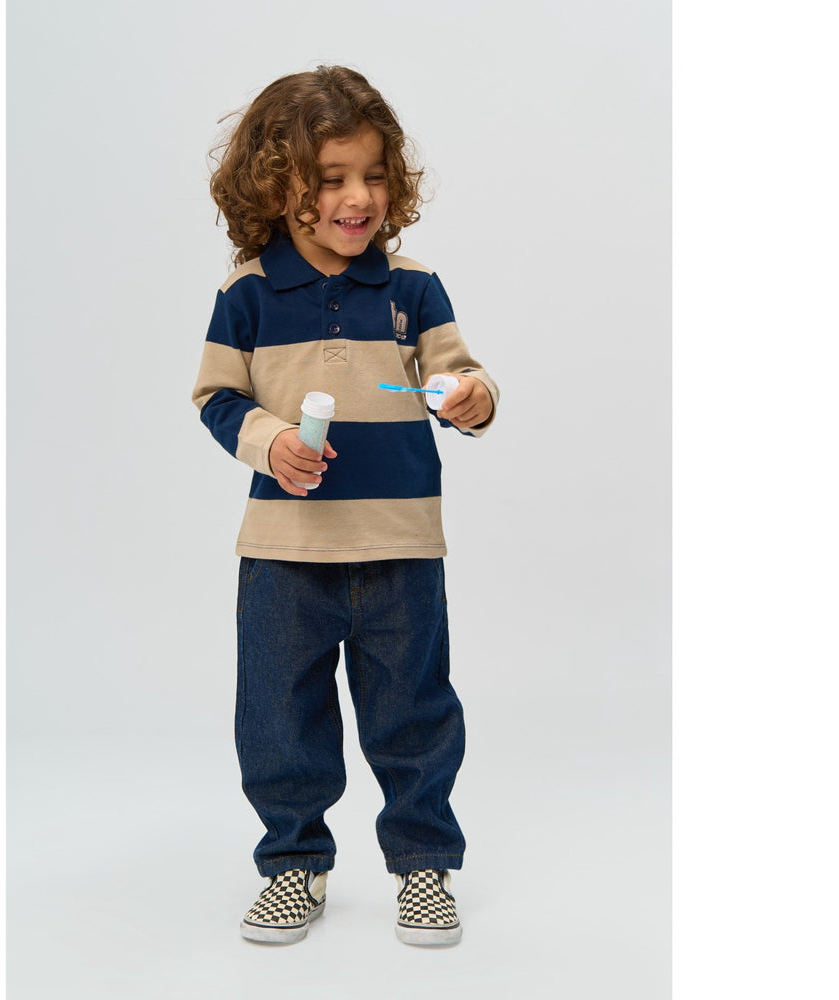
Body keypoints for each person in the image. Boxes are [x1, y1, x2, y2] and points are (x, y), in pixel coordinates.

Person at [192, 65, 499, 946]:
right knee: (279, 717)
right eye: (331, 180)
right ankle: (294, 864)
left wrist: (469, 397)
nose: (357, 198)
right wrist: (269, 442)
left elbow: (461, 374)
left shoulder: (413, 288)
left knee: (415, 713)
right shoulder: (248, 292)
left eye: (372, 175)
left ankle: (424, 865)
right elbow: (216, 397)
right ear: (275, 187)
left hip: (401, 546)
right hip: (285, 552)